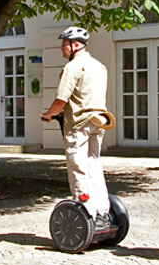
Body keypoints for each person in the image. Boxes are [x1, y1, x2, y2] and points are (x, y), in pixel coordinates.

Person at [40, 26, 113, 230]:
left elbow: (61, 100)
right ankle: (102, 211)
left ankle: (86, 209)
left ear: (77, 45)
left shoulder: (72, 68)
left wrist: (49, 114)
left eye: (64, 44)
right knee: (94, 166)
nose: (61, 48)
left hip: (79, 124)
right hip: (98, 122)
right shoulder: (100, 66)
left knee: (78, 166)